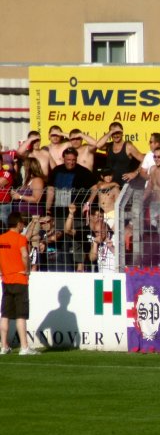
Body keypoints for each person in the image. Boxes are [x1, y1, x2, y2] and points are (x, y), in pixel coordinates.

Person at [0, 212, 38, 355]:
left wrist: (2, 271)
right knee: (21, 315)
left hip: (6, 279)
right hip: (19, 279)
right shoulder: (20, 239)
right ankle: (24, 346)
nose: (23, 225)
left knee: (5, 314)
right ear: (18, 224)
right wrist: (27, 270)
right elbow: (24, 254)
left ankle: (4, 345)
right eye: (22, 223)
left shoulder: (1, 239)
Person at [46, 147, 97, 230]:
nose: (71, 162)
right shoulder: (56, 170)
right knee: (59, 238)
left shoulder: (84, 172)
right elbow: (50, 190)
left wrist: (88, 204)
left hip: (76, 215)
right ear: (64, 158)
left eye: (73, 160)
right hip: (58, 213)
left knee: (74, 238)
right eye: (68, 160)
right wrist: (47, 209)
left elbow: (95, 189)